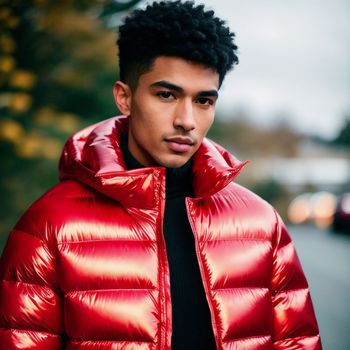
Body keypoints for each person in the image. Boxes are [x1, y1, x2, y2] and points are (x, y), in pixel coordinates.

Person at [0, 1, 322, 349]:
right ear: (124, 97)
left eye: (203, 101)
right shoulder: (50, 226)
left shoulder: (262, 225)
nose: (186, 120)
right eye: (167, 95)